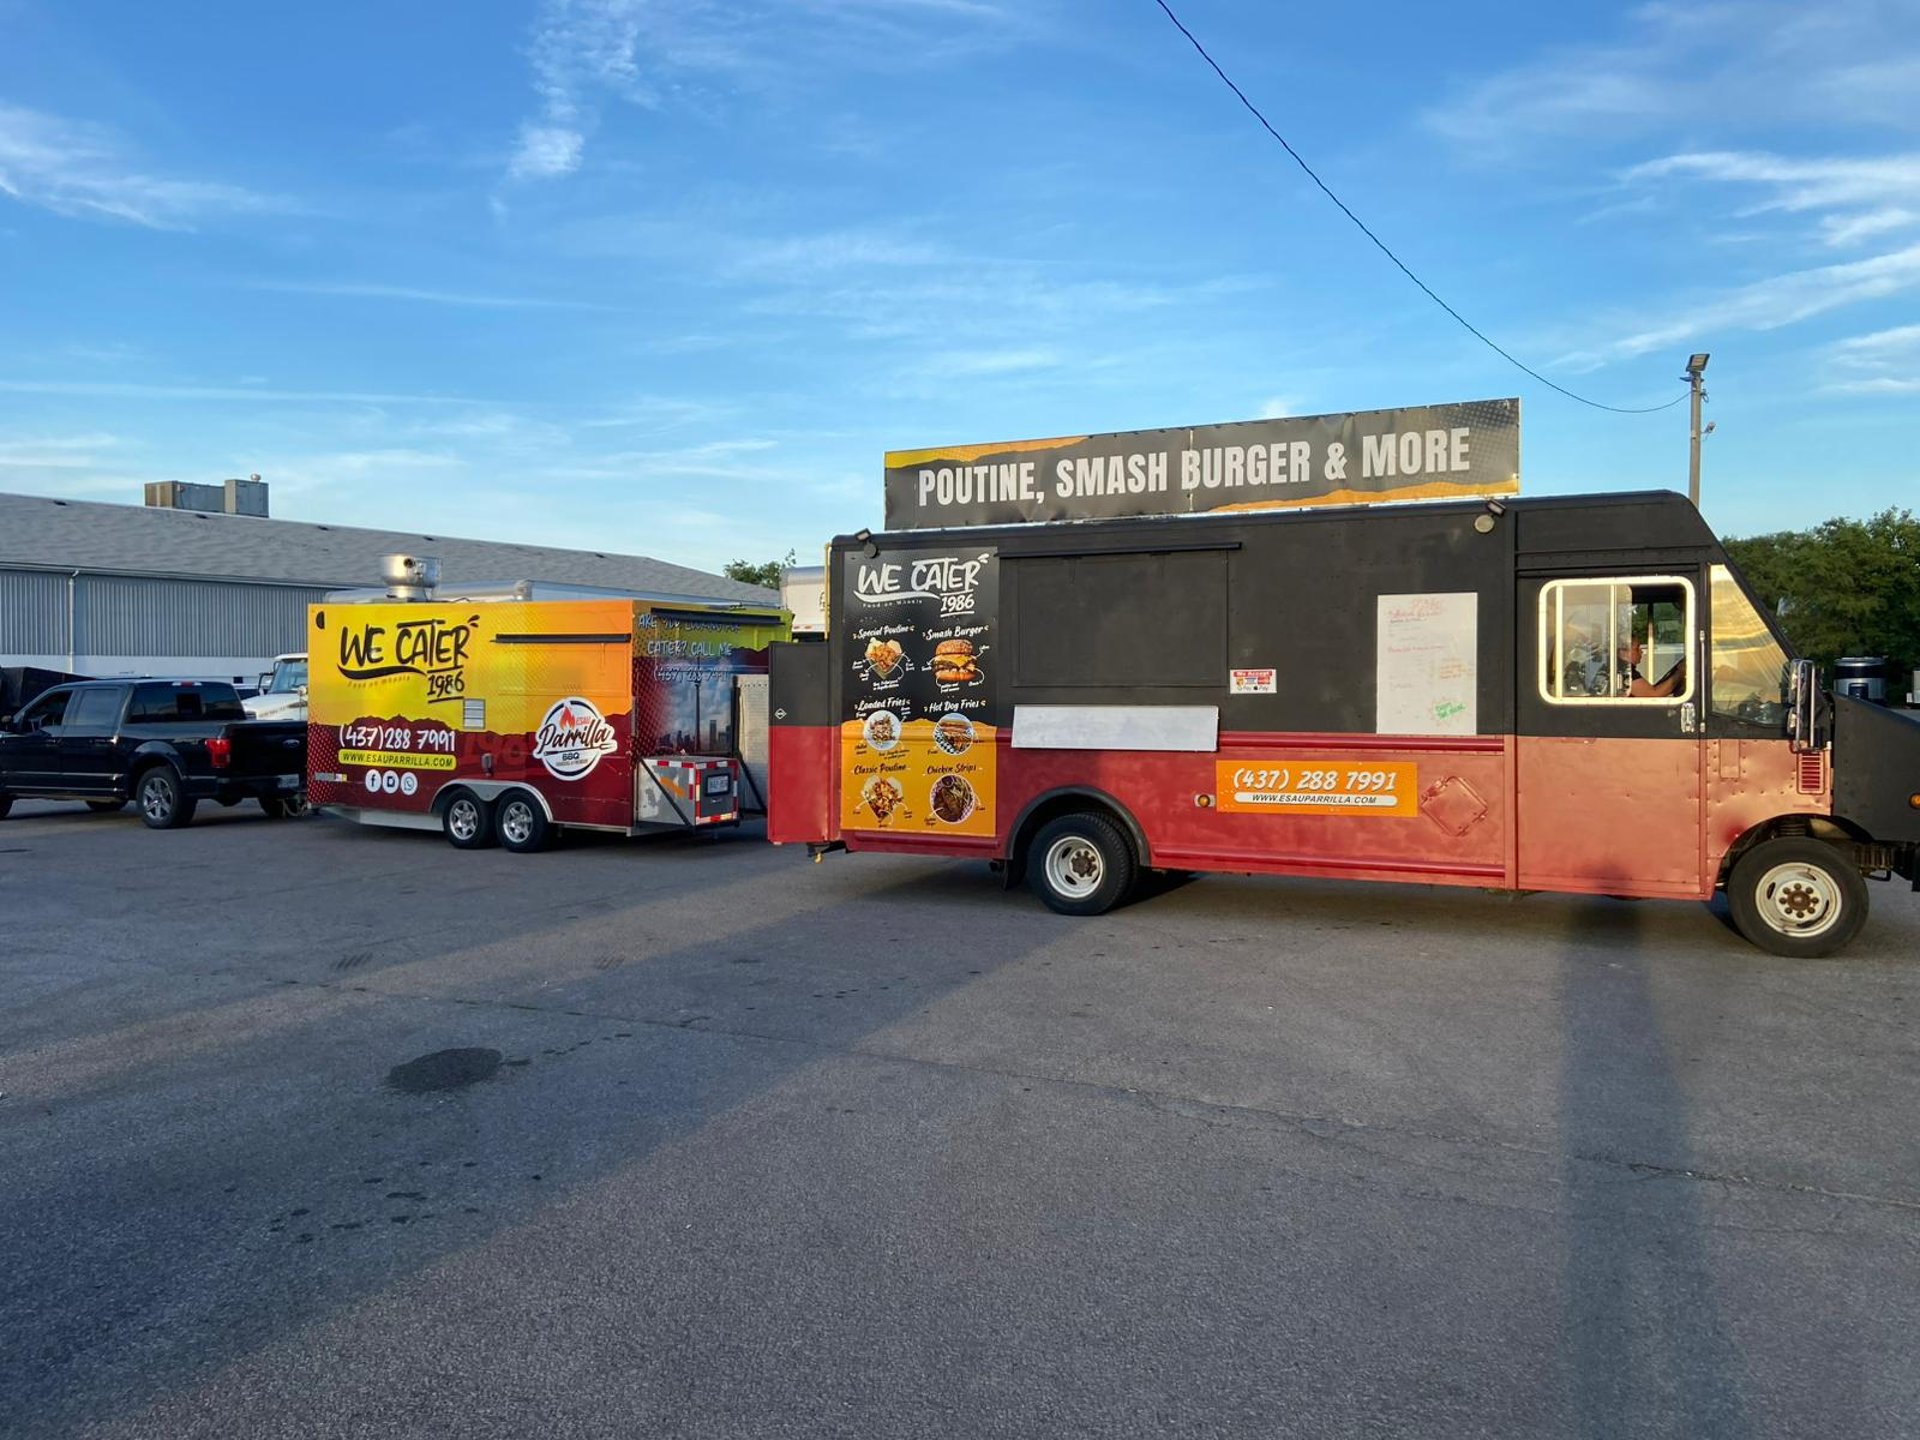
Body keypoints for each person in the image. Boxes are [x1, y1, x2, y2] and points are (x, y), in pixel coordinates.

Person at [1617, 634, 1684, 698]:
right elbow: (1653, 695)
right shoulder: (1624, 671)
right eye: (1637, 648)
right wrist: (1679, 673)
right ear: (1623, 652)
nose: (1641, 651)